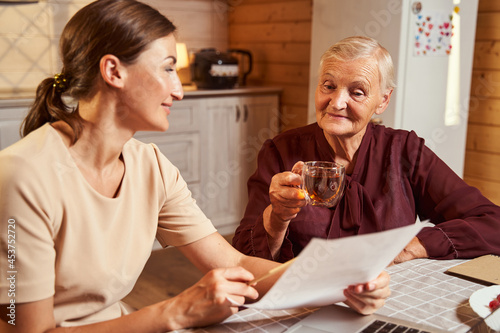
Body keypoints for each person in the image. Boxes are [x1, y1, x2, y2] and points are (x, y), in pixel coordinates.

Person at [0, 2, 391, 331]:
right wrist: (176, 310)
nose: (179, 89)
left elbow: (235, 263)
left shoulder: (150, 166)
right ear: (113, 71)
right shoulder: (22, 176)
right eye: (168, 67)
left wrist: (343, 281)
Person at [232, 36, 500, 264]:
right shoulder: (281, 151)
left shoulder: (404, 151)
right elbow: (244, 259)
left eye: (357, 92)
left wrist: (414, 246)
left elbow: (491, 222)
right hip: (305, 303)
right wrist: (276, 217)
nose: (336, 103)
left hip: (387, 297)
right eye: (329, 86)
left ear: (383, 101)